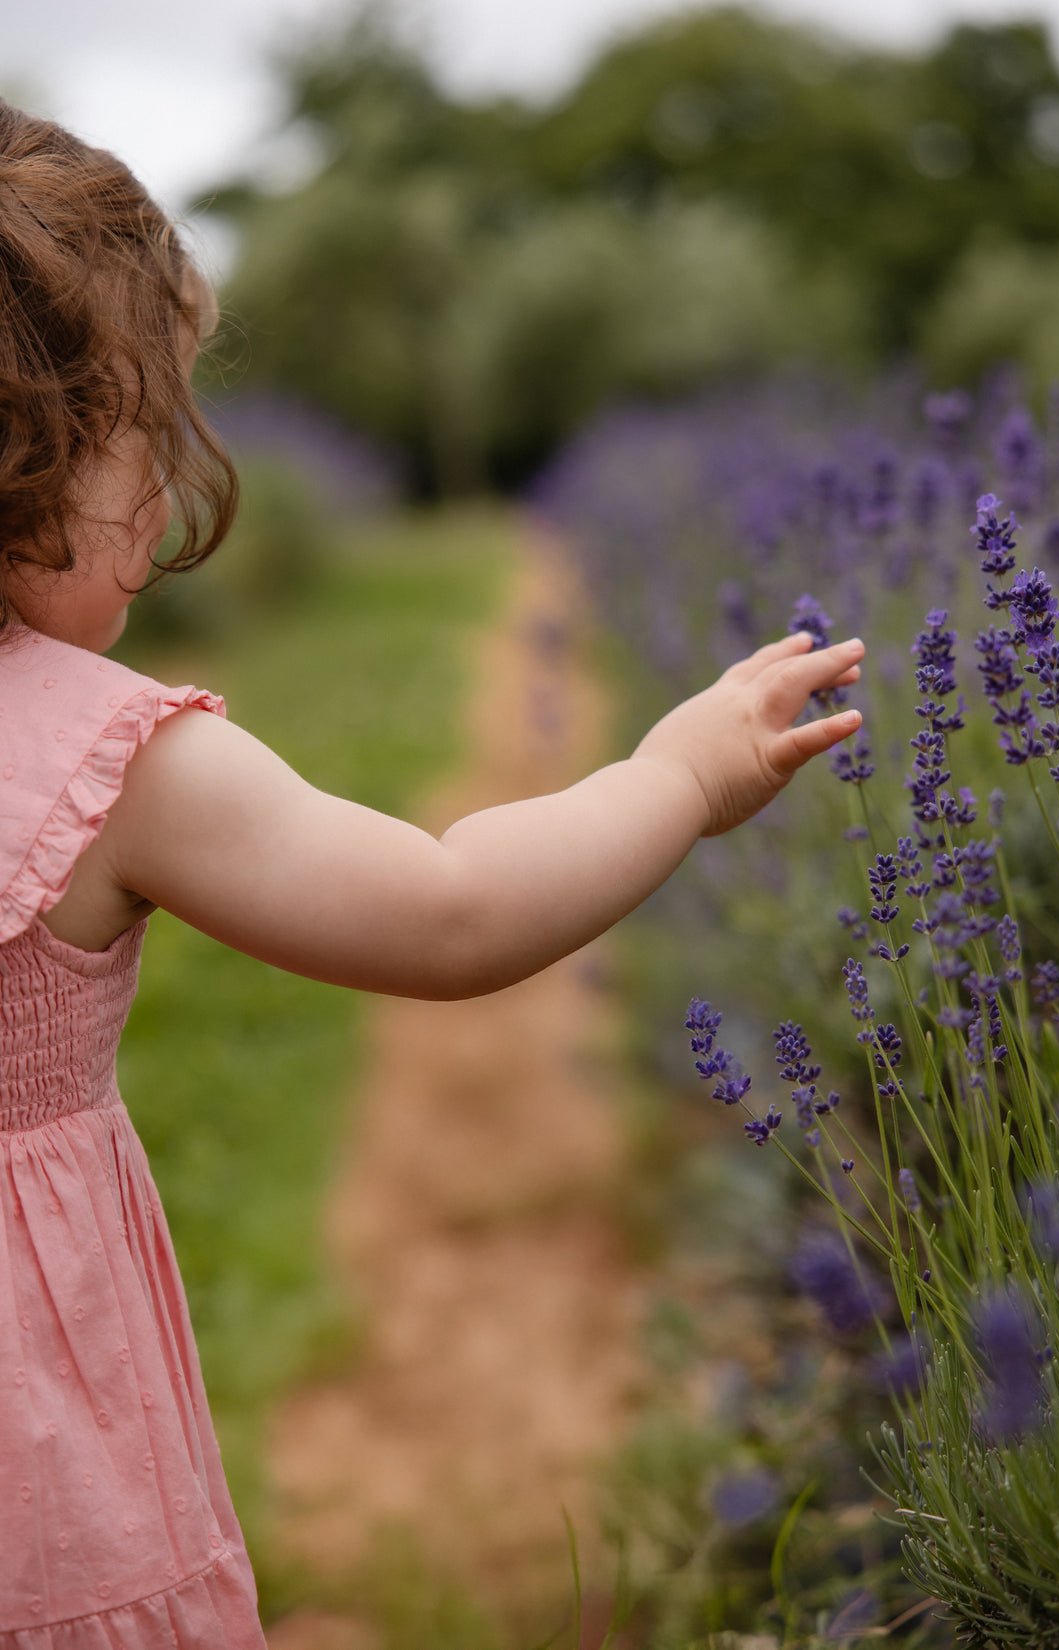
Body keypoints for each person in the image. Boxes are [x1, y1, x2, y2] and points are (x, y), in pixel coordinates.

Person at [0, 100, 864, 1647]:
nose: (169, 497)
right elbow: (451, 908)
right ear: (32, 453)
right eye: (149, 443)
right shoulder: (105, 756)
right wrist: (673, 777)